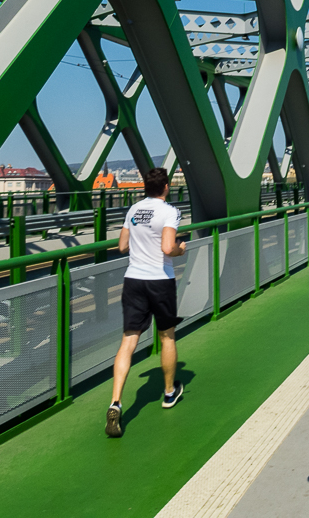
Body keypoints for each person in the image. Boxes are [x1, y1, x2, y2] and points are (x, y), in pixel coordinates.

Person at [106, 167, 186, 438]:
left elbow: (122, 246)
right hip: (159, 281)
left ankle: (115, 401)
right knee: (166, 337)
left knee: (128, 341)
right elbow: (167, 248)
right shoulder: (170, 211)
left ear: (145, 187)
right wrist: (180, 249)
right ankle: (168, 393)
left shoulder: (134, 210)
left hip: (133, 280)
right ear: (165, 187)